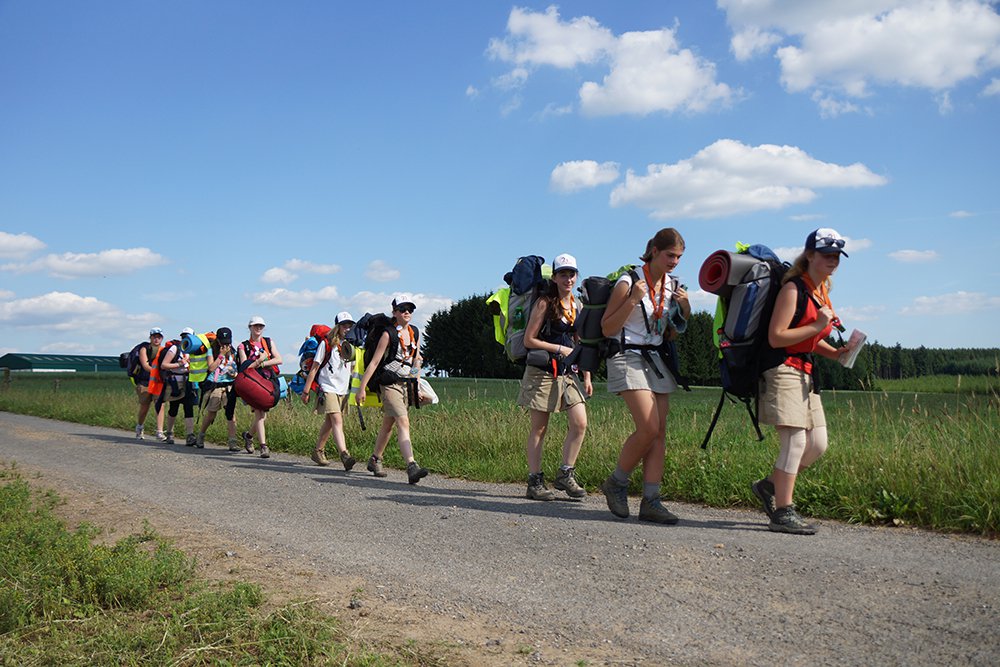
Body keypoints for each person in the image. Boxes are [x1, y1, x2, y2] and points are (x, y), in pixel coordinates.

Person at [751, 228, 852, 535]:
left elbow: (808, 336)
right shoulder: (793, 289)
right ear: (810, 255)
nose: (832, 260)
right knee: (794, 441)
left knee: (817, 444)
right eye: (826, 254)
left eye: (836, 256)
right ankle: (783, 511)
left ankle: (769, 486)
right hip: (782, 370)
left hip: (805, 372)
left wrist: (835, 354)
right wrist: (819, 325)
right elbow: (777, 336)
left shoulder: (822, 291)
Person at [599, 228, 691, 524]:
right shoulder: (629, 281)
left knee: (659, 432)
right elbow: (607, 328)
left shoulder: (673, 286)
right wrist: (631, 300)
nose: (674, 261)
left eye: (678, 256)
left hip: (655, 358)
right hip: (626, 355)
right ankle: (617, 482)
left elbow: (671, 334)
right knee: (648, 427)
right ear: (654, 251)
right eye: (670, 255)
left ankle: (651, 500)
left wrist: (685, 309)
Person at [517, 253, 592, 500]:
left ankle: (565, 474)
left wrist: (588, 376)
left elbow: (582, 343)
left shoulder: (578, 305)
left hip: (569, 373)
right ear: (555, 277)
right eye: (563, 274)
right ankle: (534, 481)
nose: (568, 278)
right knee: (539, 428)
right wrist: (559, 349)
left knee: (580, 422)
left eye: (572, 274)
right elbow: (529, 339)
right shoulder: (544, 302)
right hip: (542, 373)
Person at [355, 295, 429, 485]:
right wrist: (361, 389)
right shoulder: (388, 334)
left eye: (410, 309)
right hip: (389, 384)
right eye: (403, 309)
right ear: (394, 312)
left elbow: (416, 360)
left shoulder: (415, 332)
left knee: (389, 424)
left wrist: (416, 383)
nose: (407, 313)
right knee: (403, 422)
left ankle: (375, 459)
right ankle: (411, 466)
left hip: (406, 384)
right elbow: (374, 362)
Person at [301, 312, 358, 470]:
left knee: (330, 422)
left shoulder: (350, 346)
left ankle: (317, 451)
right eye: (344, 325)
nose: (347, 328)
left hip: (342, 389)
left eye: (349, 325)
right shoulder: (326, 344)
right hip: (328, 388)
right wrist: (306, 391)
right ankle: (345, 455)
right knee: (337, 421)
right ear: (337, 326)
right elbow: (315, 367)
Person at [237, 315, 282, 459]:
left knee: (262, 415)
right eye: (255, 326)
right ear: (250, 327)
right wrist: (260, 360)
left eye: (261, 326)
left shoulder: (268, 342)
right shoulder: (243, 346)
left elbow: (279, 359)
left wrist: (262, 363)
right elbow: (245, 367)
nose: (258, 328)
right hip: (253, 383)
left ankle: (249, 436)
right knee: (260, 414)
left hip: (267, 383)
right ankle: (263, 446)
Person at [196, 327, 240, 450]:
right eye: (223, 342)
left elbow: (235, 367)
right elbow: (211, 368)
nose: (226, 344)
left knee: (231, 414)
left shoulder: (233, 351)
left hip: (229, 385)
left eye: (228, 342)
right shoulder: (212, 350)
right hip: (215, 385)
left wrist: (234, 374)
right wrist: (221, 356)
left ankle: (232, 442)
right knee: (211, 413)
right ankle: (201, 436)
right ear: (218, 341)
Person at [158, 327, 202, 446]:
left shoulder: (194, 350)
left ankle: (189, 435)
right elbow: (163, 365)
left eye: (188, 336)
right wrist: (179, 364)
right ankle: (170, 433)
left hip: (189, 382)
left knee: (189, 408)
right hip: (175, 382)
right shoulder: (175, 349)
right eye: (184, 336)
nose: (185, 338)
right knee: (173, 407)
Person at [133, 327, 163, 440]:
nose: (156, 339)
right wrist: (159, 371)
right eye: (154, 337)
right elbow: (145, 366)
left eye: (159, 337)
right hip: (145, 382)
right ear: (150, 337)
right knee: (145, 407)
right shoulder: (144, 349)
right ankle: (140, 426)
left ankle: (159, 432)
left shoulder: (163, 350)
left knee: (160, 405)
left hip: (158, 382)